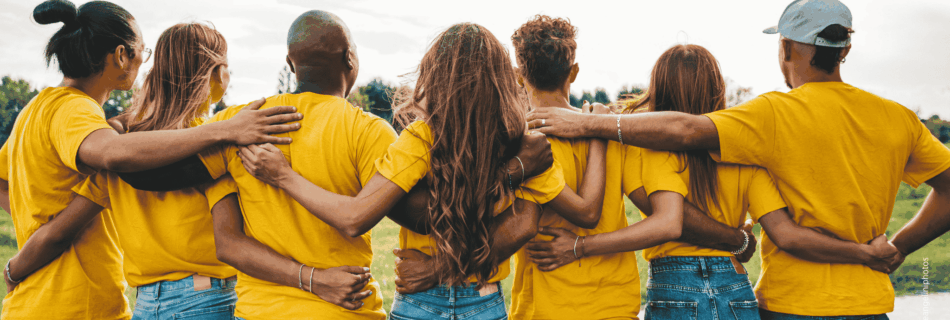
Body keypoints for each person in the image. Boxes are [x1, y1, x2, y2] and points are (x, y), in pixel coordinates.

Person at [526, 0, 947, 318]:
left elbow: (686, 133)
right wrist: (894, 248)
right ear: (844, 49)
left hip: (790, 303)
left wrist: (592, 123)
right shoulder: (899, 117)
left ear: (787, 48)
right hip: (862, 302)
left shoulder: (772, 115)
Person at [236, 22, 567, 319]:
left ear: (434, 77)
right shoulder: (523, 143)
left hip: (421, 300)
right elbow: (522, 225)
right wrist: (511, 173)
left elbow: (356, 216)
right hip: (483, 299)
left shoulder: (421, 137)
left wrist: (283, 176)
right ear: (501, 78)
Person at [0, 1, 300, 319]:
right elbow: (113, 154)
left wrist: (23, 250)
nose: (144, 60)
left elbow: (33, 203)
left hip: (66, 300)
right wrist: (225, 130)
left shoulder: (36, 111)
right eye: (143, 50)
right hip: (77, 301)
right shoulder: (80, 115)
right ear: (121, 55)